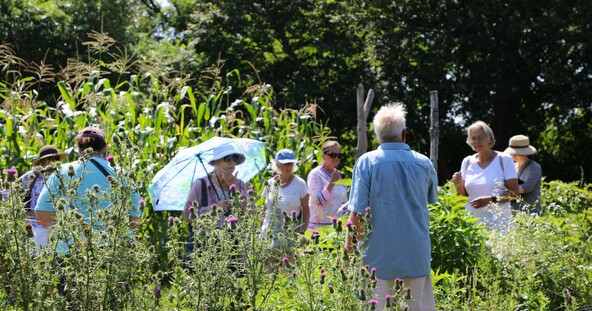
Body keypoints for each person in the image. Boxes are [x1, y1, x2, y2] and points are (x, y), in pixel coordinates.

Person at [345, 103, 438, 311]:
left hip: (377, 258)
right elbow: (431, 200)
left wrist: (348, 253)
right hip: (415, 255)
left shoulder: (366, 163)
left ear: (377, 136)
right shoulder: (424, 163)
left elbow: (357, 215)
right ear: (404, 133)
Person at [35, 127, 142, 252]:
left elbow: (42, 215)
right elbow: (135, 220)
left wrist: (72, 229)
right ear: (105, 148)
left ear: (78, 148)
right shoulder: (122, 175)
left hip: (70, 250)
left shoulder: (61, 171)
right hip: (113, 251)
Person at [451, 121, 519, 231]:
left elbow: (514, 194)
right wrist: (458, 185)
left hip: (499, 225)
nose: (477, 141)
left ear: (490, 139)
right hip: (473, 225)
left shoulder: (504, 159)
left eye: (480, 137)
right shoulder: (467, 161)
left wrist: (491, 199)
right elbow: (461, 200)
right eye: (473, 138)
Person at [182, 143, 248, 255]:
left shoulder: (240, 185)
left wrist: (234, 188)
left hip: (232, 245)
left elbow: (247, 213)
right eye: (227, 158)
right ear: (216, 162)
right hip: (204, 245)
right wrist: (214, 209)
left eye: (234, 159)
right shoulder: (200, 184)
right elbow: (187, 214)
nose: (232, 162)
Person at [260, 149, 310, 251]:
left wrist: (302, 231)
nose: (288, 166)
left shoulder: (300, 183)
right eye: (285, 163)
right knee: (268, 265)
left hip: (289, 235)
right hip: (268, 233)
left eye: (290, 163)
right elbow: (264, 210)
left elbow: (306, 210)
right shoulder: (269, 183)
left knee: (287, 264)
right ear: (277, 165)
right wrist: (260, 229)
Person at [20, 145, 68, 247]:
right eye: (50, 159)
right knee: (35, 259)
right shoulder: (32, 176)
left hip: (58, 228)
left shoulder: (64, 176)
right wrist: (23, 213)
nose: (53, 161)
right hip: (36, 228)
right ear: (42, 162)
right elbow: (8, 193)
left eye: (56, 158)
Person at [306, 140, 348, 230]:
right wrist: (333, 181)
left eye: (339, 155)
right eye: (332, 155)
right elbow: (319, 201)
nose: (336, 158)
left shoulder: (339, 175)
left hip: (337, 229)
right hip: (319, 229)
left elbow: (344, 203)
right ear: (323, 155)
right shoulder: (315, 175)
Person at [504, 135, 542, 214]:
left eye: (515, 153)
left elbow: (528, 187)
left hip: (530, 212)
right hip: (513, 211)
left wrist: (508, 190)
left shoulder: (534, 167)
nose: (512, 155)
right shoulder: (512, 166)